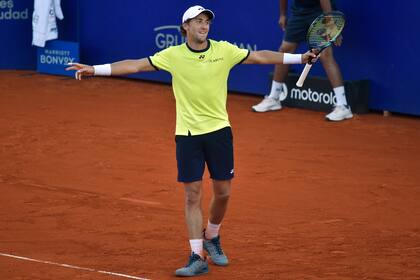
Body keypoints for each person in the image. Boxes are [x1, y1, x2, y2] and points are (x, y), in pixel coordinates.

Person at [66, 5, 316, 277]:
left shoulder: (224, 50)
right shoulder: (173, 55)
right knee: (192, 194)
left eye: (206, 21)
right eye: (197, 21)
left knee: (223, 193)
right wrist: (95, 69)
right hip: (187, 135)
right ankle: (197, 255)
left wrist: (299, 58)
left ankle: (212, 235)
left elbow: (259, 57)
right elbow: (136, 65)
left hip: (219, 131)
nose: (204, 26)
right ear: (185, 26)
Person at [252, 0, 353, 121]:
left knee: (325, 54)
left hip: (320, 12)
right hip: (299, 12)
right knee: (285, 49)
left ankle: (343, 106)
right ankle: (274, 97)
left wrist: (330, 23)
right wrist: (283, 14)